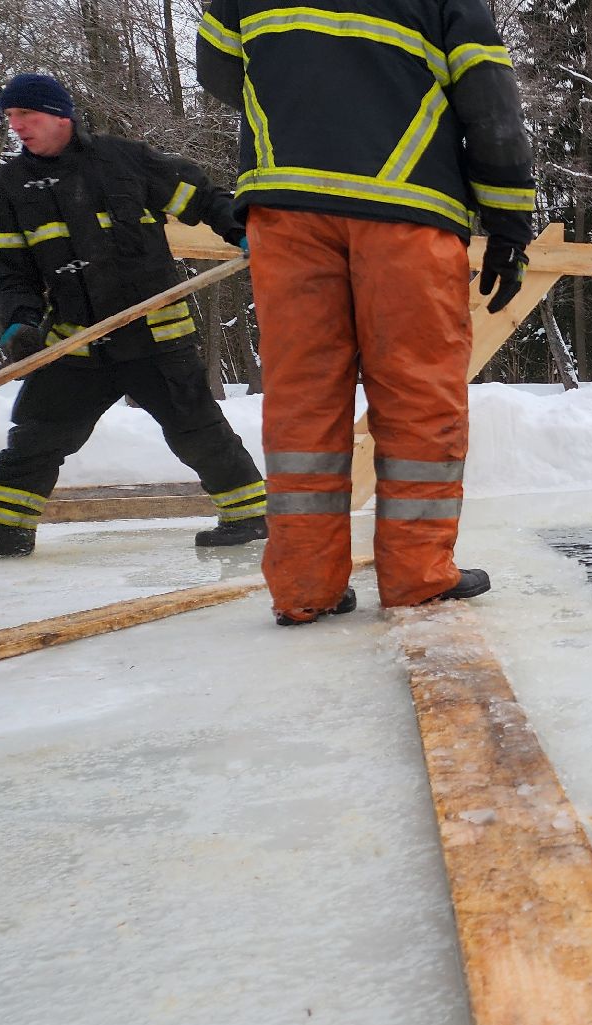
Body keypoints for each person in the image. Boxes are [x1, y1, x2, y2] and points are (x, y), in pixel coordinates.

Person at [197, 0, 536, 626]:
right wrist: (509, 221)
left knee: (301, 398)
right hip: (408, 205)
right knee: (418, 393)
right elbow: (490, 106)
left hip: (288, 206)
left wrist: (307, 96)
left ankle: (303, 585)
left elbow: (216, 71)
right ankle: (418, 575)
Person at [0, 73, 268, 559]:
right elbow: (8, 271)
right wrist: (19, 321)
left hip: (155, 333)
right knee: (37, 434)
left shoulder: (125, 161)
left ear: (61, 116)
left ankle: (248, 515)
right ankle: (3, 529)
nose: (18, 126)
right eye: (11, 117)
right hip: (77, 340)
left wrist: (242, 231)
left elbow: (203, 197)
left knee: (196, 429)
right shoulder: (8, 190)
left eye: (27, 115)